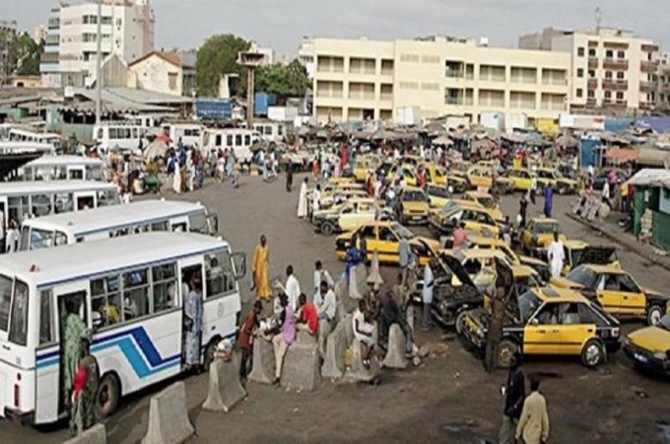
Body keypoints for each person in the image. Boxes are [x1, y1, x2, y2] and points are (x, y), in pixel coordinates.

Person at [63, 298, 91, 412]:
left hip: (66, 350)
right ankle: (74, 401)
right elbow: (85, 332)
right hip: (74, 350)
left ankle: (66, 398)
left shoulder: (64, 319)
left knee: (67, 374)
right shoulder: (76, 319)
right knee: (76, 375)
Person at [70, 338, 99, 437]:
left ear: (83, 349)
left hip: (86, 389)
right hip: (94, 387)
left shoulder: (83, 362)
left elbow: (80, 379)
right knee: (91, 409)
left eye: (80, 347)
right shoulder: (93, 359)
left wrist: (76, 392)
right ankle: (91, 426)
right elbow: (97, 374)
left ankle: (84, 431)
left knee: (83, 411)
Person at [374, 290, 414, 357]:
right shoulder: (391, 300)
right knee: (408, 331)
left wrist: (373, 317)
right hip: (396, 318)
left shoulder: (382, 300)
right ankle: (408, 349)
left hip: (388, 320)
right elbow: (398, 311)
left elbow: (377, 311)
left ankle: (385, 345)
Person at [499, 352, 526, 444]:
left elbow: (522, 395)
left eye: (513, 361)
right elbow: (510, 387)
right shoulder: (511, 372)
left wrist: (514, 407)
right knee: (503, 435)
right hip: (508, 409)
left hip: (516, 412)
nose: (510, 362)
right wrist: (506, 390)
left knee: (518, 434)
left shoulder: (519, 375)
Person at [516, 376, 550, 444]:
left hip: (528, 435)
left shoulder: (528, 400)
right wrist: (545, 435)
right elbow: (544, 418)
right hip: (537, 434)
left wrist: (517, 433)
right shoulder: (542, 400)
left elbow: (524, 418)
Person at [271, 294, 295, 385]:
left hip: (287, 336)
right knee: (274, 340)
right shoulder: (290, 308)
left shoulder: (284, 312)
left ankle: (277, 376)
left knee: (279, 355)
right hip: (289, 331)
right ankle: (277, 362)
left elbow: (279, 324)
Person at [183, 271, 204, 370]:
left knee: (190, 343)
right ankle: (195, 362)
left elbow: (189, 310)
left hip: (193, 324)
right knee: (196, 344)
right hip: (198, 324)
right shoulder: (199, 294)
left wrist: (189, 320)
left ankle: (190, 362)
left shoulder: (192, 295)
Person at [239, 300, 262, 383]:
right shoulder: (251, 316)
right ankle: (242, 374)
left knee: (246, 356)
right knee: (244, 357)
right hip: (245, 338)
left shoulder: (253, 314)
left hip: (245, 338)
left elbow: (257, 322)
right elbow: (247, 329)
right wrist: (253, 334)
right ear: (257, 309)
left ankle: (243, 373)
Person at [353, 299, 376, 369]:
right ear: (360, 306)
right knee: (371, 341)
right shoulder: (357, 316)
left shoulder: (362, 312)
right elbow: (357, 329)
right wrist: (366, 334)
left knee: (373, 328)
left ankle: (369, 355)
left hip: (362, 327)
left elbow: (367, 317)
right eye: (364, 306)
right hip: (359, 333)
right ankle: (366, 358)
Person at [252, 235, 271, 299]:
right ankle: (259, 294)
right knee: (259, 281)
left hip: (264, 267)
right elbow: (255, 258)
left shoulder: (267, 248)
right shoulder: (258, 249)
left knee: (265, 280)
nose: (264, 243)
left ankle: (266, 295)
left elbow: (267, 257)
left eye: (264, 241)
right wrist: (254, 267)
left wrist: (267, 265)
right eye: (263, 241)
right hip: (258, 267)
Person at [421, 259, 435, 330]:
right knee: (426, 310)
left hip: (426, 292)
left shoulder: (427, 268)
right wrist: (434, 282)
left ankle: (429, 322)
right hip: (428, 292)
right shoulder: (429, 272)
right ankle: (425, 325)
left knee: (427, 310)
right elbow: (429, 282)